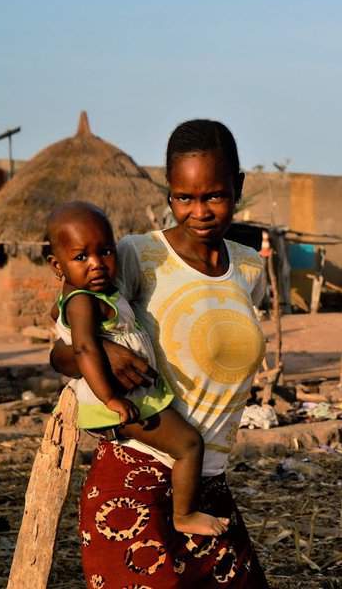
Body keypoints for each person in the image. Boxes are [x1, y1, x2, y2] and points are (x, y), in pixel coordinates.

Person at [51, 119, 270, 587]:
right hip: (135, 480)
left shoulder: (250, 268)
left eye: (214, 195)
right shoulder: (134, 255)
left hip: (207, 484)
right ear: (168, 193)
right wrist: (104, 352)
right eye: (183, 197)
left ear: (239, 187)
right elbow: (61, 353)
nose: (200, 211)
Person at [47, 201, 228, 537]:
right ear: (57, 266)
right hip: (120, 400)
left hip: (131, 395)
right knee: (189, 444)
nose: (97, 264)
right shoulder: (83, 301)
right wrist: (111, 399)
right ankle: (184, 515)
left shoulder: (95, 293)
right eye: (81, 257)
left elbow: (60, 328)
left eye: (105, 251)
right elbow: (84, 348)